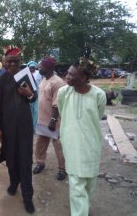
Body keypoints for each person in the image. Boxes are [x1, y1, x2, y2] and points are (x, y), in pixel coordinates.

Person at [57, 50, 106, 216]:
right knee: (77, 184)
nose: (67, 77)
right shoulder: (64, 93)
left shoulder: (99, 95)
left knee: (89, 183)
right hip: (71, 144)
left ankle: (83, 208)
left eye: (71, 75)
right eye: (67, 73)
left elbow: (97, 117)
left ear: (84, 78)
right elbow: (63, 112)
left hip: (91, 145)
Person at [0, 48, 36, 214]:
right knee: (11, 158)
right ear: (4, 61)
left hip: (25, 126)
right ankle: (13, 183)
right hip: (7, 127)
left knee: (25, 161)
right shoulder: (0, 80)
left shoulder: (26, 76)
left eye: (15, 61)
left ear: (20, 62)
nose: (12, 64)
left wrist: (30, 94)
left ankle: (27, 197)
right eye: (9, 61)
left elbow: (35, 96)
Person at [33, 57, 67, 180]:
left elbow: (56, 103)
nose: (39, 68)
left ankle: (62, 169)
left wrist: (53, 120)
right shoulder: (43, 80)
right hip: (42, 119)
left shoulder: (57, 82)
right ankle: (40, 163)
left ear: (50, 67)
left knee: (58, 145)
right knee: (40, 143)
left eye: (42, 66)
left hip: (54, 121)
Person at [27, 61, 42, 129]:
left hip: (37, 93)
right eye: (30, 68)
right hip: (28, 93)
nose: (32, 69)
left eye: (33, 67)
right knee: (29, 110)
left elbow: (41, 82)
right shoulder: (26, 74)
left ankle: (34, 127)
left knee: (36, 110)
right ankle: (29, 126)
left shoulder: (38, 73)